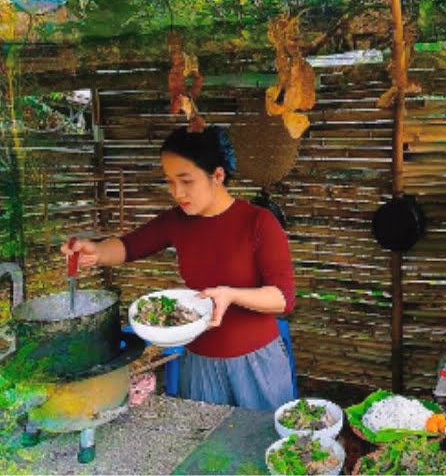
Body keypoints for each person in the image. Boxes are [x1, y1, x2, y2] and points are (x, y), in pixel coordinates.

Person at [62, 125, 296, 410]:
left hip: (257, 366)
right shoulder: (177, 221)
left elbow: (283, 299)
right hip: (198, 364)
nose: (177, 192)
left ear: (218, 176)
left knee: (261, 446)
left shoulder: (258, 222)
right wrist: (95, 252)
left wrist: (231, 295)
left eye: (186, 181)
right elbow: (129, 246)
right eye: (170, 182)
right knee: (205, 448)